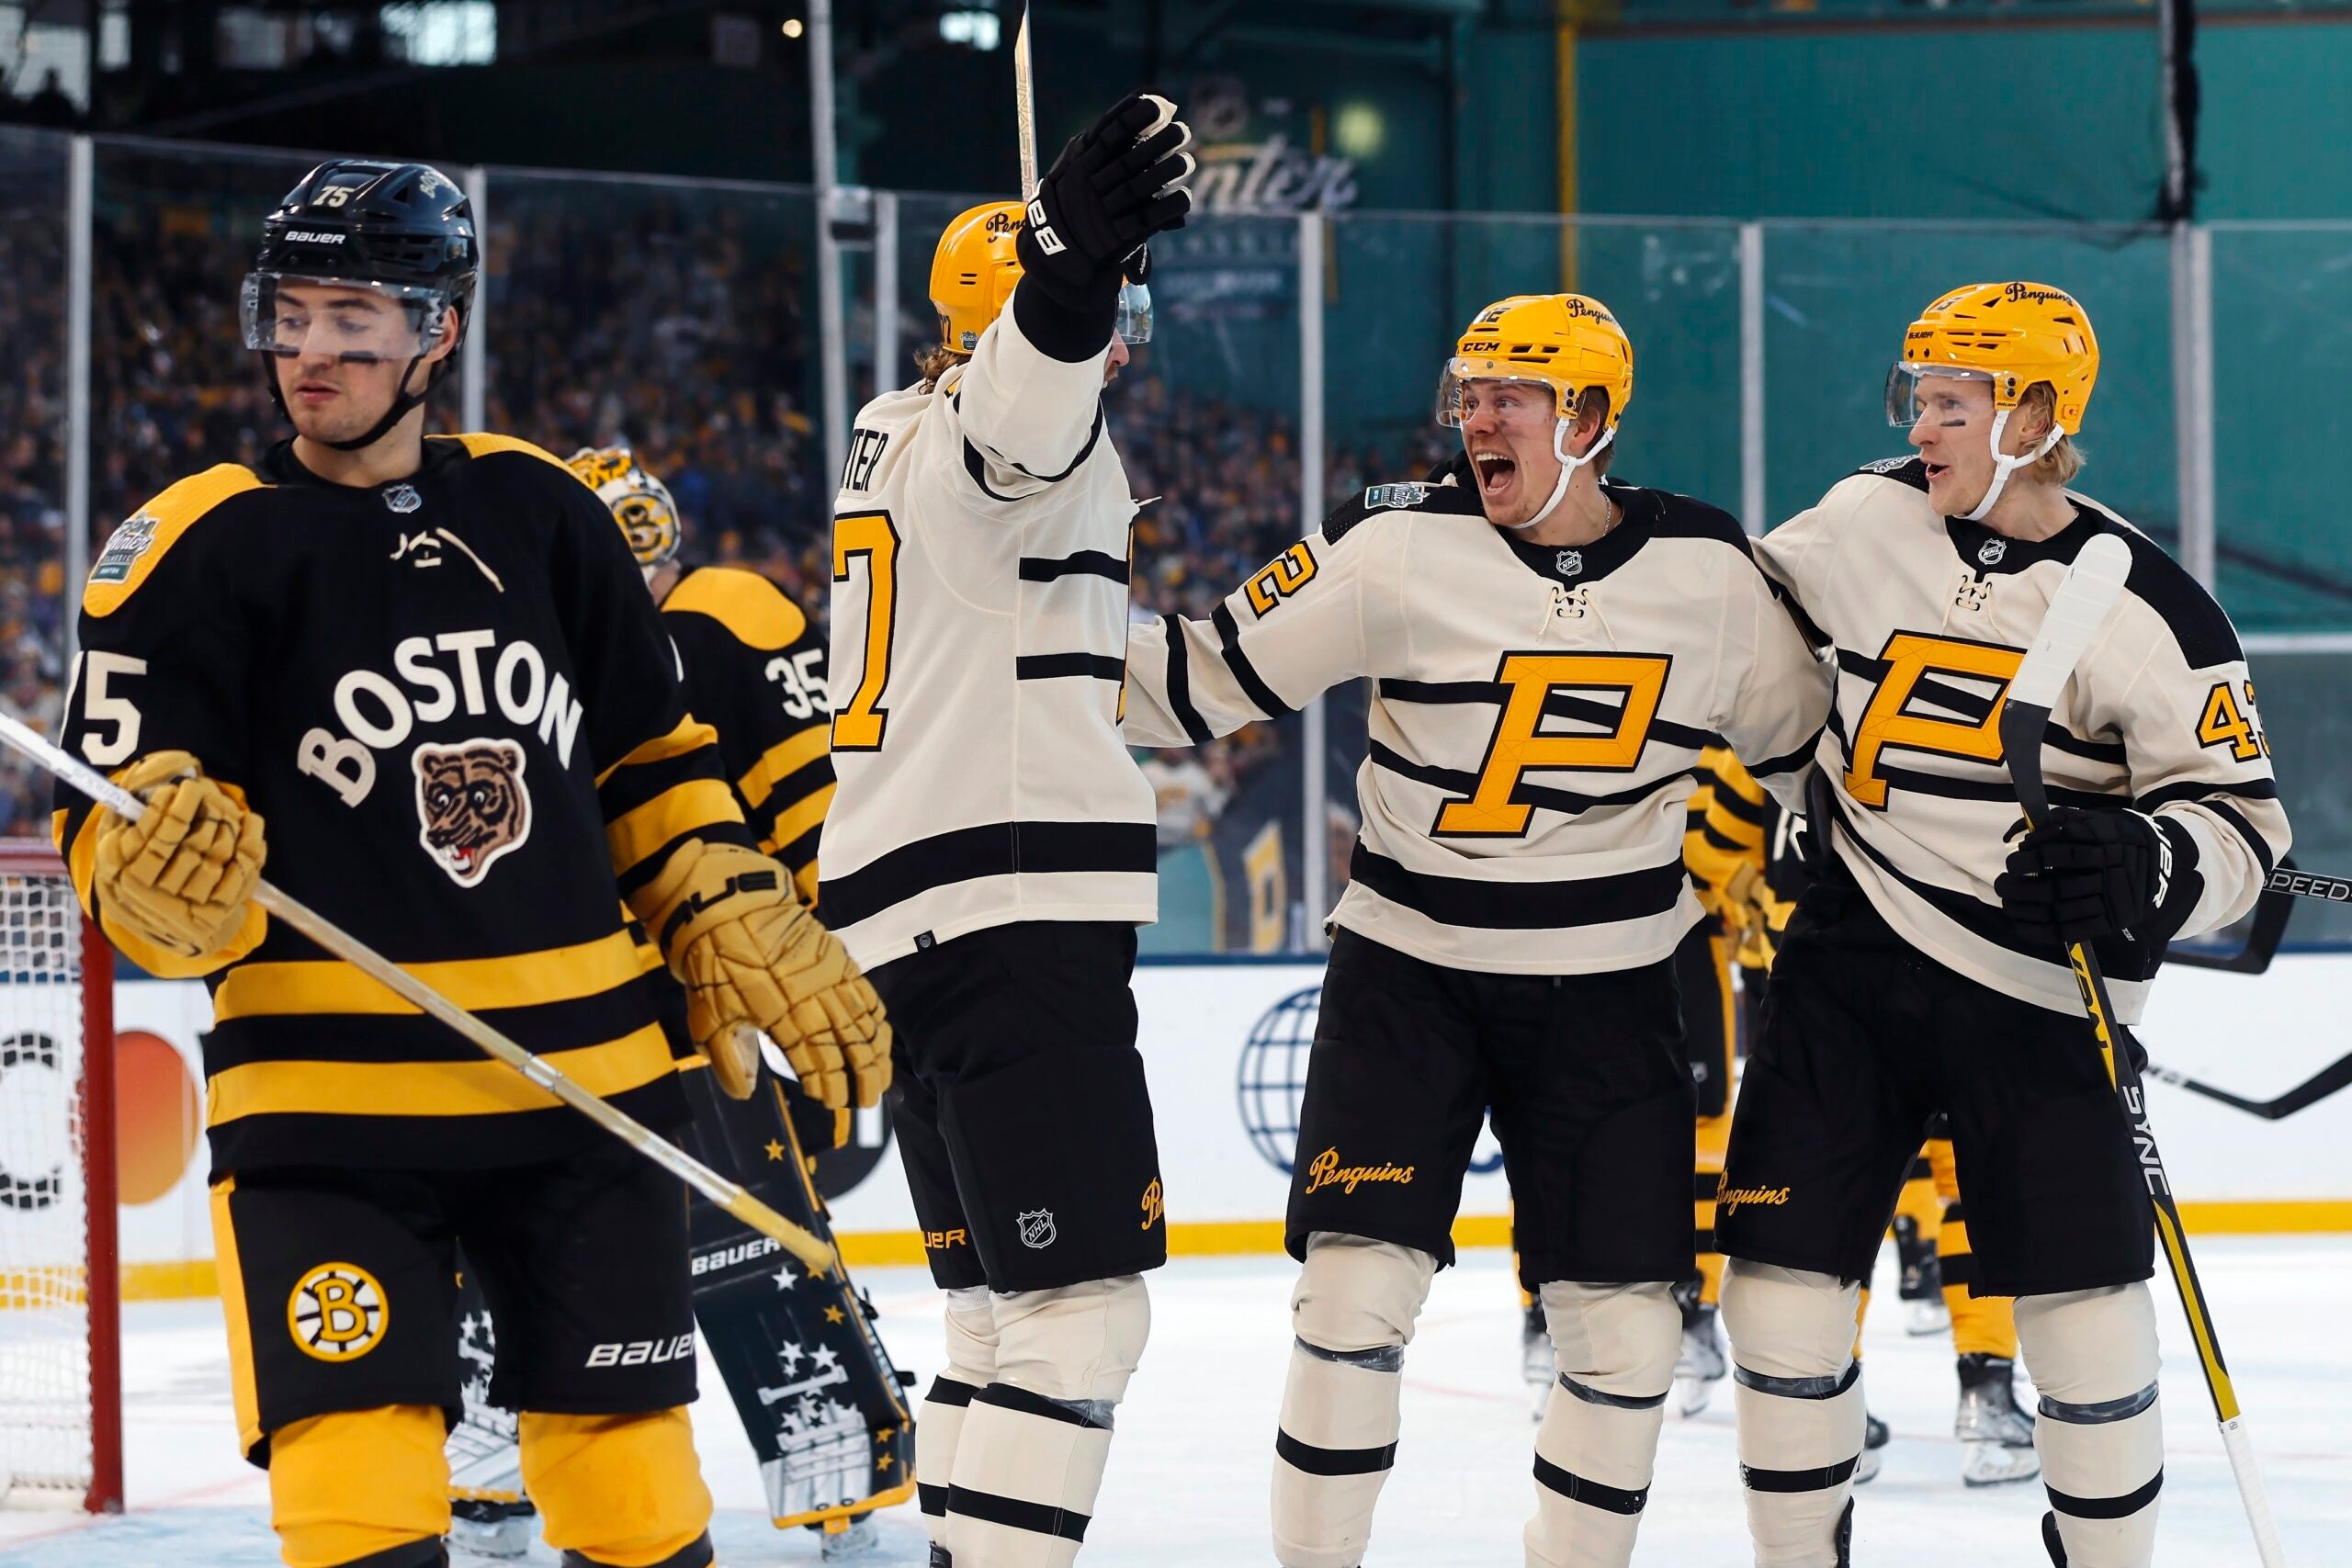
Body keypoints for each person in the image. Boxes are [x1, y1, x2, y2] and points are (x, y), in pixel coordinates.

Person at [51, 159, 888, 1568]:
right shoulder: (191, 546)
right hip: (327, 1118)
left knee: (637, 1501)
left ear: (437, 331)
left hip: (584, 1097)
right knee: (358, 1497)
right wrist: (148, 871)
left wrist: (728, 900)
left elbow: (650, 763)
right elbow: (118, 820)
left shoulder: (542, 511)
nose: (308, 351)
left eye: (352, 316)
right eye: (290, 312)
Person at [1124, 291, 1831, 1568]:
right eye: (1473, 390)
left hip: (1612, 991)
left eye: (1517, 393)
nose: (1479, 415)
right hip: (1409, 978)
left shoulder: (1712, 575)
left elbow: (1822, 767)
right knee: (1349, 1300)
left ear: (1595, 419)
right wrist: (1012, 629)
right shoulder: (1390, 546)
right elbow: (1192, 683)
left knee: (1627, 1334)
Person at [1714, 281, 2290, 1568]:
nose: (1924, 424)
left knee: (2084, 1314)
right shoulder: (1861, 518)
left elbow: (2253, 836)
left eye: (1954, 402)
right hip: (1846, 960)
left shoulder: (2152, 607)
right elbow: (1743, 633)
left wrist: (2149, 856)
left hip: (2039, 993)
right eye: (1916, 396)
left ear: (2036, 414)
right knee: (1776, 1288)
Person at [821, 93, 1193, 1568]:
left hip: (907, 914)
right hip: (1011, 906)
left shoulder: (887, 434)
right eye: (1119, 314)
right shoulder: (1002, 416)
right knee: (1083, 1311)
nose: (1123, 343)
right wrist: (1070, 269)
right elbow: (1030, 402)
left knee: (995, 1314)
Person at [441, 446, 916, 1562]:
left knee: (741, 1235)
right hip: (551, 997)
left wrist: (826, 945)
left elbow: (813, 797)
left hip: (699, 995)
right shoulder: (511, 637)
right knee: (517, 1230)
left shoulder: (724, 614)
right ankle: (497, 1469)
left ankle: (833, 1468)